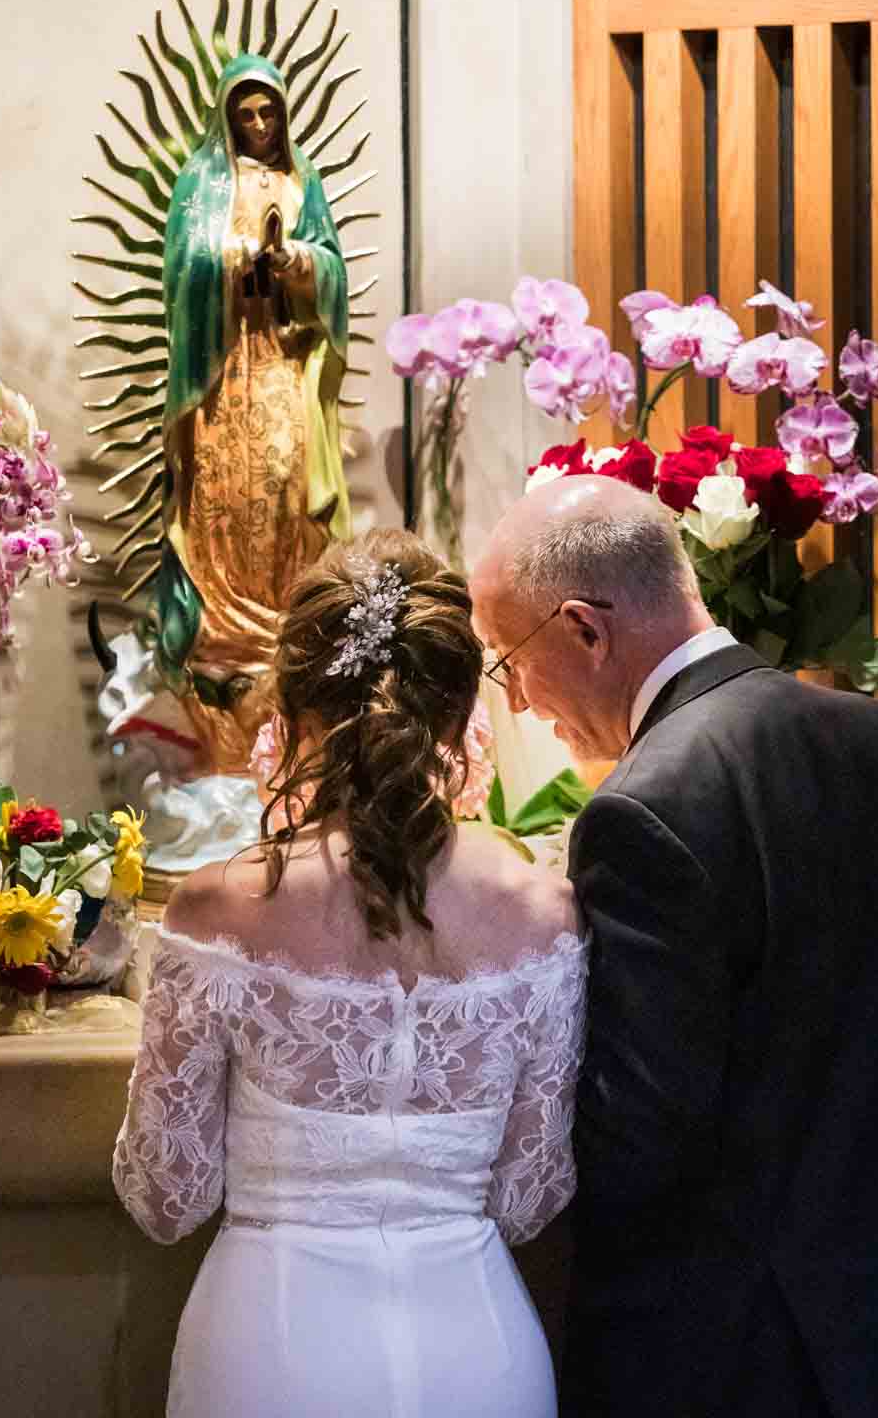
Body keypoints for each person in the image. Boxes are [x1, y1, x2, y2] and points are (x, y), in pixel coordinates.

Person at [469, 475, 878, 1418]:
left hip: (768, 1352)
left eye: (509, 661)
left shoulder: (642, 807)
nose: (520, 699)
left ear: (586, 628)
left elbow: (642, 1139)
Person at [113, 528, 586, 1418]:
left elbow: (166, 1197)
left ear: (289, 707)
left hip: (273, 1345)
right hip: (477, 1350)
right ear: (460, 714)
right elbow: (530, 1197)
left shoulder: (218, 909)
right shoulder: (539, 911)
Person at [156, 53, 351, 744]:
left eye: (269, 113)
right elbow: (181, 267)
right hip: (218, 374)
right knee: (220, 498)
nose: (260, 125)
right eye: (246, 115)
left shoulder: (303, 182)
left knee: (283, 487)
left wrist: (299, 262)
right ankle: (225, 637)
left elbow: (331, 265)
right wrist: (233, 255)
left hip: (279, 361)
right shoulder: (200, 184)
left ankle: (284, 626)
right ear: (227, 119)